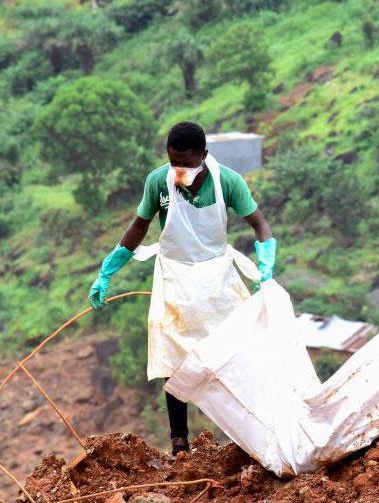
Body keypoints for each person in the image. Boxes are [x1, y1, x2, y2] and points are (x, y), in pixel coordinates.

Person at [87, 121, 276, 456]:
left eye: (187, 164)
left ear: (203, 155)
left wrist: (266, 260)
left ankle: (253, 432)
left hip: (217, 276)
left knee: (237, 350)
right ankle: (179, 443)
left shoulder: (227, 181)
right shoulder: (158, 181)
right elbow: (140, 225)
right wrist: (108, 270)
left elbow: (259, 223)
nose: (180, 171)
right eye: (174, 163)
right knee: (171, 358)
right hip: (174, 275)